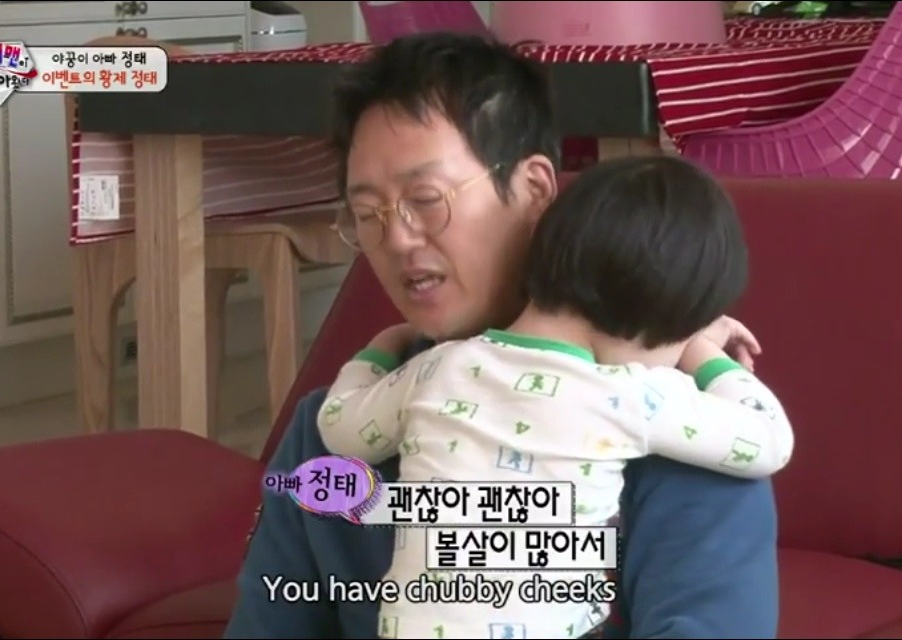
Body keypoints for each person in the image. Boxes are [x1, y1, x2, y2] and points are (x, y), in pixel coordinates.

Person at [225, 31, 782, 639]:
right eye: (367, 214)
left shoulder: (686, 435)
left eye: (426, 198)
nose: (398, 237)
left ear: (534, 190)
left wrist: (697, 355)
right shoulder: (327, 430)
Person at [314, 156, 795, 639]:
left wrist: (381, 349)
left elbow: (338, 428)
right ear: (660, 320)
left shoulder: (438, 368)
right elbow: (769, 441)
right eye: (683, 333)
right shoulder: (628, 395)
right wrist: (705, 354)